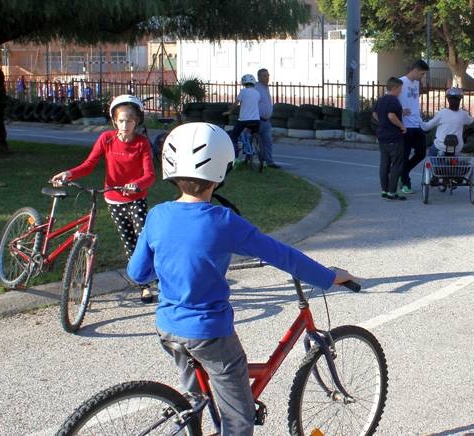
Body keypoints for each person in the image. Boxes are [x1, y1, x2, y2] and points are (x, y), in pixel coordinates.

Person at [127, 122, 355, 435]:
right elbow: (282, 255)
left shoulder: (157, 215)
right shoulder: (223, 221)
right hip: (210, 334)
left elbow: (138, 273)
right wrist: (329, 276)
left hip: (167, 327)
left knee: (195, 399)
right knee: (238, 420)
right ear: (222, 170)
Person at [51, 94, 157, 303]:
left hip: (135, 199)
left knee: (143, 241)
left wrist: (136, 185)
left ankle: (158, 277)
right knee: (129, 243)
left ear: (137, 121)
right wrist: (69, 173)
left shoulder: (142, 143)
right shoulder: (106, 139)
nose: (125, 125)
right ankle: (144, 285)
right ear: (114, 121)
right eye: (121, 120)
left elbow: (150, 175)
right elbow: (89, 164)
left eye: (130, 120)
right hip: (113, 199)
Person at [397, 60, 430, 195]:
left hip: (417, 124)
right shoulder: (400, 82)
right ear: (415, 70)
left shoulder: (416, 83)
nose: (422, 77)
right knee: (404, 155)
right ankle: (405, 183)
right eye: (422, 74)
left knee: (421, 152)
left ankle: (403, 172)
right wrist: (400, 111)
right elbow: (388, 100)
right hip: (405, 126)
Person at [372, 77, 408, 201]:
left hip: (382, 136)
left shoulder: (381, 100)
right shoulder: (394, 101)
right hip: (394, 137)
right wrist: (402, 126)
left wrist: (383, 123)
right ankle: (392, 192)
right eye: (400, 88)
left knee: (384, 164)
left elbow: (375, 114)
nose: (401, 91)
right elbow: (391, 115)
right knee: (396, 165)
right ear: (395, 88)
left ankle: (384, 190)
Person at [421, 87, 473, 156]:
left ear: (448, 100)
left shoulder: (441, 113)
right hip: (457, 147)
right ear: (460, 100)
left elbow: (426, 127)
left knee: (431, 152)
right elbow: (471, 122)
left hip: (441, 146)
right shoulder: (464, 114)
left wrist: (420, 122)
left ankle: (433, 166)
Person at [228, 74, 261, 159]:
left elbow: (236, 103)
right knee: (252, 135)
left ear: (243, 83)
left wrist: (230, 111)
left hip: (244, 120)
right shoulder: (257, 93)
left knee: (233, 136)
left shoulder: (243, 92)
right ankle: (252, 156)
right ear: (253, 82)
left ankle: (235, 158)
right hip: (256, 120)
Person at [253, 68, 279, 168]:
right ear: (258, 77)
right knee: (258, 142)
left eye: (268, 75)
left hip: (266, 120)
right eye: (264, 76)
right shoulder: (256, 88)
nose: (267, 78)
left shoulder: (265, 88)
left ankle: (269, 162)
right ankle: (259, 161)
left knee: (268, 142)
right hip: (258, 119)